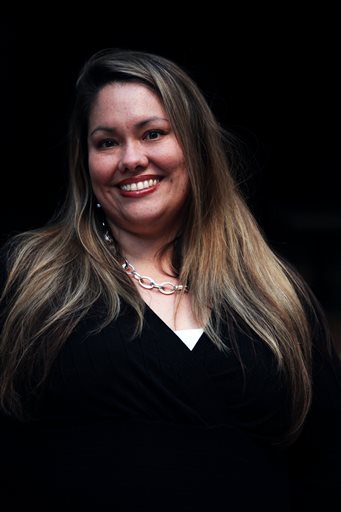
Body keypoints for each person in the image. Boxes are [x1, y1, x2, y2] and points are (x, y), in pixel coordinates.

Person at [0, 48, 340, 511]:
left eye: (152, 133)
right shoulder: (29, 277)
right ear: (85, 163)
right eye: (106, 142)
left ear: (196, 148)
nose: (131, 159)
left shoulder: (276, 295)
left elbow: (323, 465)